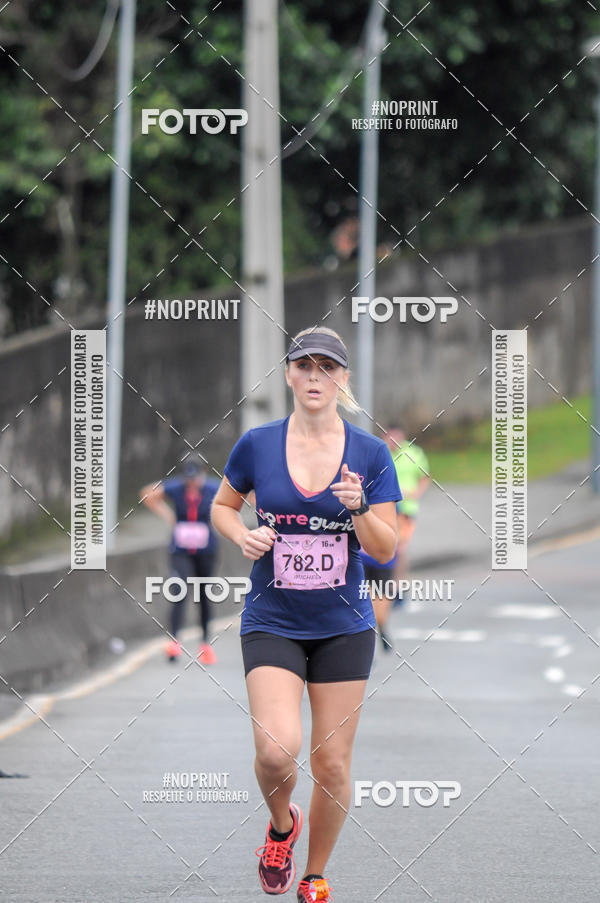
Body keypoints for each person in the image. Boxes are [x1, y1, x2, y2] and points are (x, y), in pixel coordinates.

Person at [211, 327, 401, 903]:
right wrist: (242, 535)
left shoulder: (369, 454)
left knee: (332, 763)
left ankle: (315, 873)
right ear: (289, 373)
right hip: (273, 619)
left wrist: (359, 508)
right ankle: (281, 828)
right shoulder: (257, 445)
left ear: (343, 378)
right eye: (304, 366)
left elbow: (385, 548)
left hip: (344, 627)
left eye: (328, 367)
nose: (315, 377)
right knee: (276, 750)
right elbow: (223, 507)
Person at [140, 460, 220, 664]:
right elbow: (147, 493)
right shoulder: (176, 487)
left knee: (204, 594)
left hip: (205, 549)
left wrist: (218, 519)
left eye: (196, 479)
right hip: (181, 549)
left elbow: (237, 499)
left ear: (203, 474)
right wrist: (169, 516)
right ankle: (174, 641)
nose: (192, 483)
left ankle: (205, 644)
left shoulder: (214, 488)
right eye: (189, 479)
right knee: (178, 590)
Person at [384, 424, 431, 590]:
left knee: (400, 548)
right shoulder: (380, 453)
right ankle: (383, 585)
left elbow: (425, 477)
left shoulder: (413, 453)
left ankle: (398, 586)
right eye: (390, 437)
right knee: (384, 546)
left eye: (397, 437)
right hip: (384, 508)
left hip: (406, 509)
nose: (394, 441)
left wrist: (415, 494)